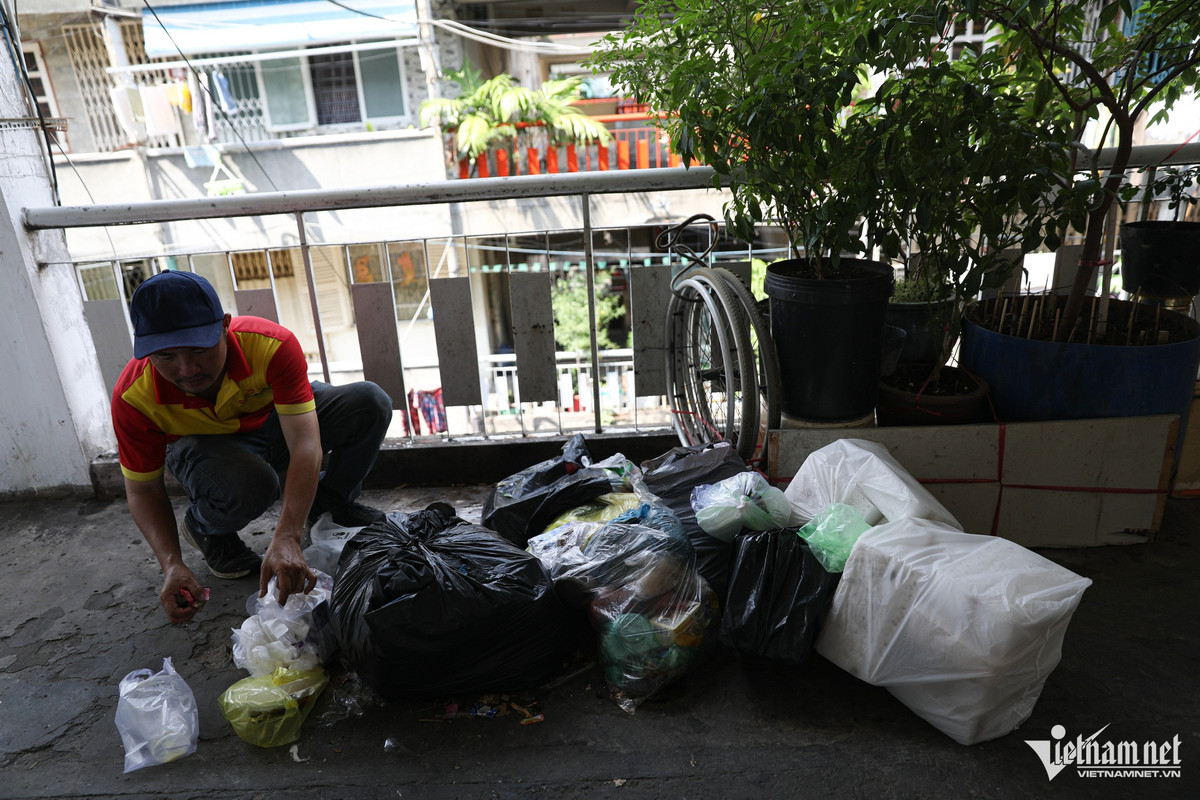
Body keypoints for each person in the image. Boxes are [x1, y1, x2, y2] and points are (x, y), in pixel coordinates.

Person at [111, 271, 393, 624]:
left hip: (275, 421)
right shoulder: (133, 397)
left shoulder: (271, 345)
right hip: (205, 449)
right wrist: (172, 564)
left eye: (199, 349)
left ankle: (330, 503)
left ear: (225, 327)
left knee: (370, 402)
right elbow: (143, 490)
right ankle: (205, 527)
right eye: (165, 356)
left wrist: (287, 535)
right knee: (255, 483)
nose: (187, 370)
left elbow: (305, 442)